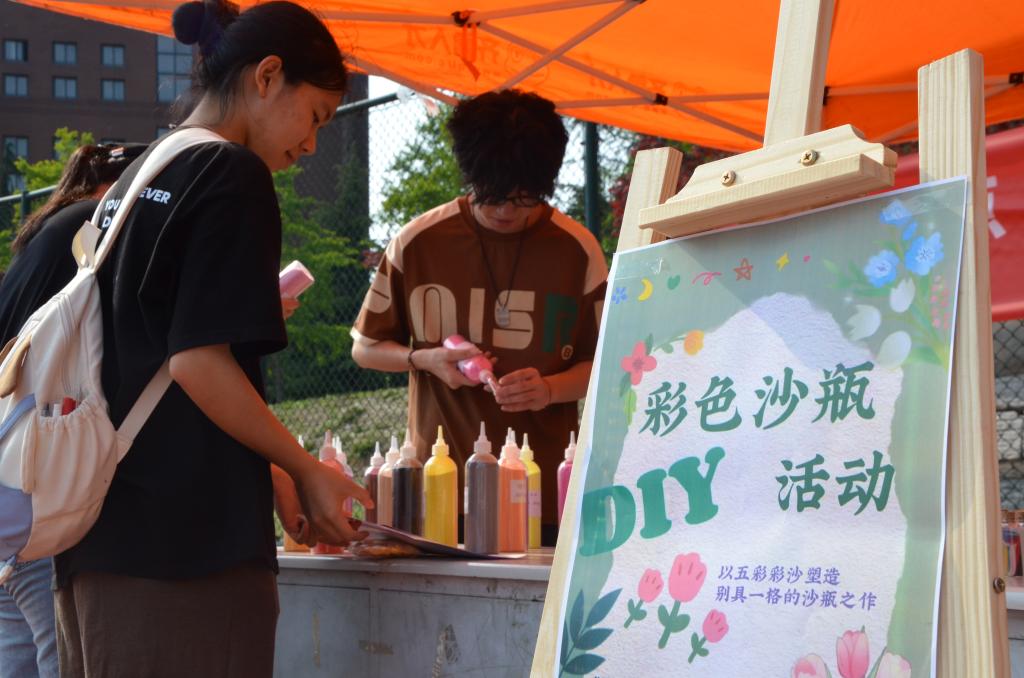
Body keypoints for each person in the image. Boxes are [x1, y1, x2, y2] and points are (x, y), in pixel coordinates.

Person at [51, 2, 370, 676]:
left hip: (99, 537)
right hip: (187, 551)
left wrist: (276, 473)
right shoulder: (232, 172)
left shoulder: (141, 174)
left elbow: (151, 353)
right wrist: (306, 467)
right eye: (315, 116)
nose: (312, 145)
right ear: (268, 76)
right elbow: (197, 361)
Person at [351, 89, 608, 544]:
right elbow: (365, 348)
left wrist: (549, 389)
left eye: (524, 198)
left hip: (544, 497)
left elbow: (610, 365)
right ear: (470, 175)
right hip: (437, 493)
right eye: (493, 196)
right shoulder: (418, 241)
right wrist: (424, 360)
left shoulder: (577, 249)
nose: (506, 210)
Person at [0, 142, 144, 678]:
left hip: (10, 490)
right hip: (41, 493)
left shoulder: (41, 236)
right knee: (61, 658)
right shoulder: (92, 228)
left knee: (17, 655)